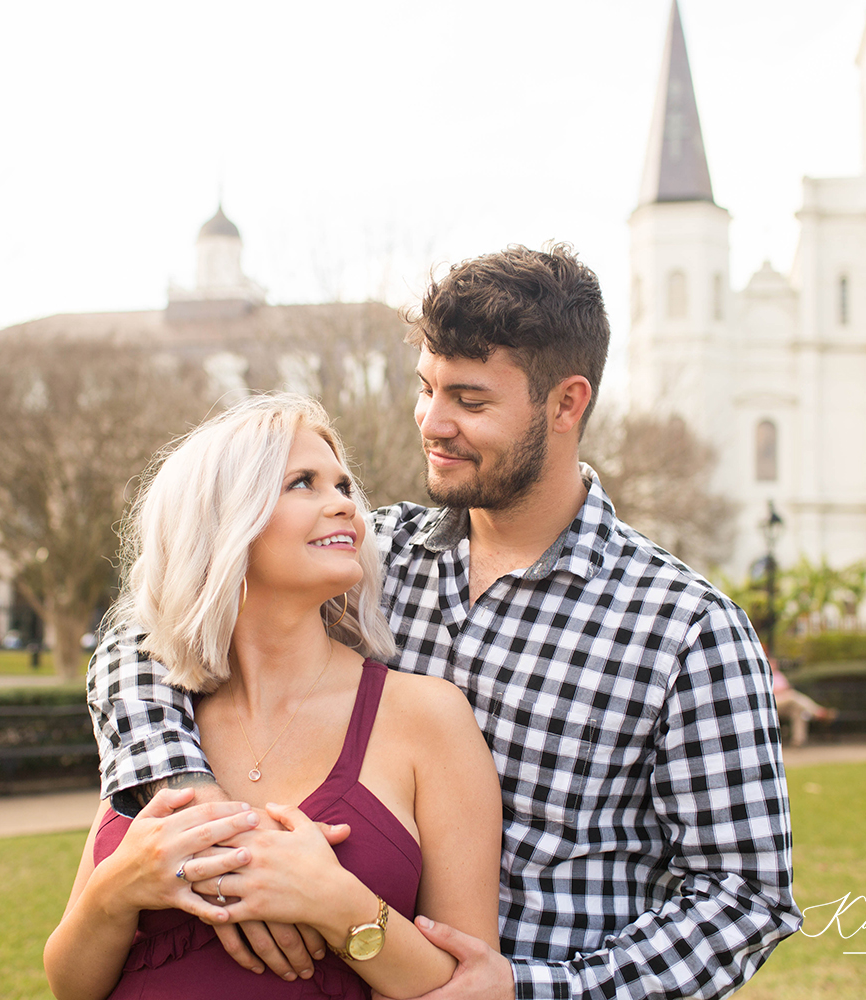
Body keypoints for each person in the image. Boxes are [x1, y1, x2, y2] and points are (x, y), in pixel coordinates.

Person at [88, 245, 799, 1000]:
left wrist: (532, 990)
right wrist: (185, 784)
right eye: (426, 389)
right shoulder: (368, 554)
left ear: (567, 404)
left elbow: (744, 899)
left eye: (471, 400)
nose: (433, 422)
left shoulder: (685, 627)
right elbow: (151, 629)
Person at [45, 396, 503, 1000]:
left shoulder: (424, 715)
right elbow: (70, 985)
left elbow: (471, 983)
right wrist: (120, 887)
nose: (344, 501)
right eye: (302, 484)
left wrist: (336, 903)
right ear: (223, 521)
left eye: (342, 484)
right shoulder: (159, 720)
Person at [771, 664, 838, 748]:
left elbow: (787, 686)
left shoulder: (779, 675)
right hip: (773, 702)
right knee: (792, 696)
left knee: (798, 711)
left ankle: (798, 741)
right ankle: (819, 712)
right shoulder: (765, 674)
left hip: (785, 702)